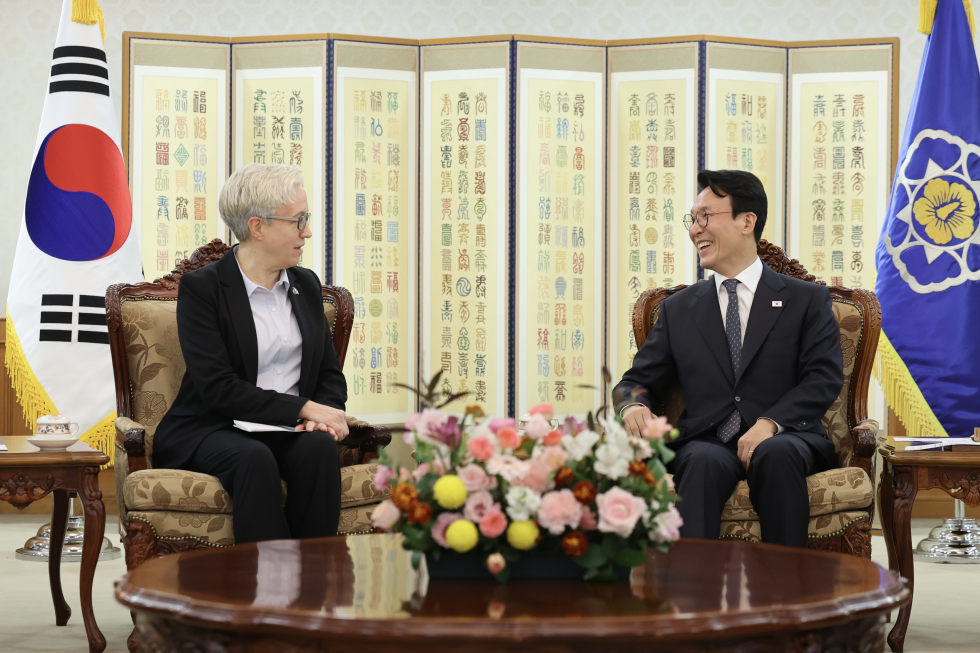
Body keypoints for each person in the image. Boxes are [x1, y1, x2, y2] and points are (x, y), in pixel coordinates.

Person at [613, 169, 843, 548]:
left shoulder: (805, 300)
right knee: (700, 460)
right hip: (707, 440)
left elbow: (823, 377)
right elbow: (633, 383)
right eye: (693, 219)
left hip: (787, 436)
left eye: (706, 217)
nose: (695, 230)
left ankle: (787, 597)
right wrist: (632, 407)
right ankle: (693, 599)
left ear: (746, 221)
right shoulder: (678, 310)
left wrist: (770, 423)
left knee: (776, 453)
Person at [153, 163, 349, 544]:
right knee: (252, 458)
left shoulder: (305, 284)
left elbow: (329, 373)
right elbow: (218, 388)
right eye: (298, 221)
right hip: (213, 427)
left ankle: (314, 585)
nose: (307, 231)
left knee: (320, 450)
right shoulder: (204, 289)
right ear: (257, 227)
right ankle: (265, 591)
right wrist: (303, 408)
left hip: (287, 429)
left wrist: (320, 417)